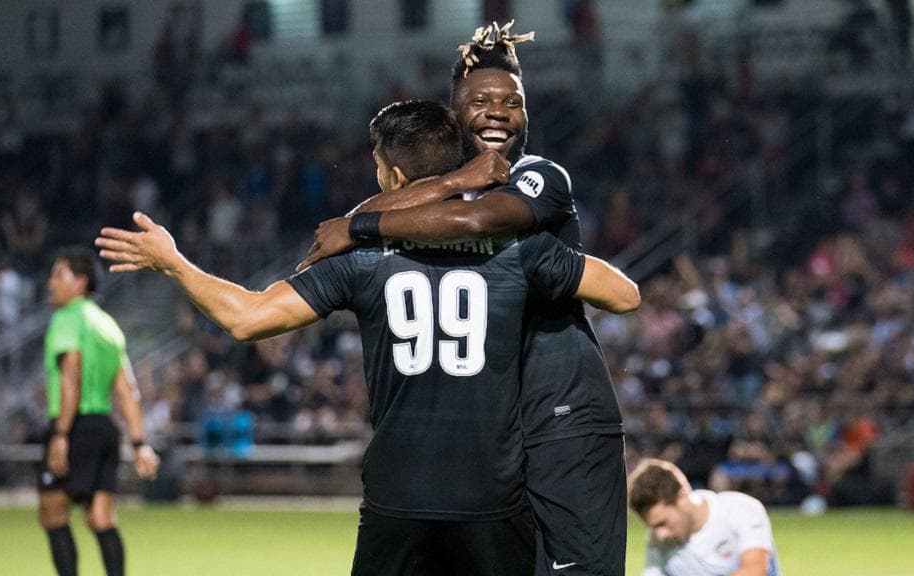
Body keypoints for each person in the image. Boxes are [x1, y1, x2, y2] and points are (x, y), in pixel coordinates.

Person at [95, 100, 641, 576]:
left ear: (396, 178)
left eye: (379, 168)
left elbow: (245, 317)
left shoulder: (359, 258)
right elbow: (623, 295)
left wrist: (173, 264)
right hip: (493, 498)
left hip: (397, 498)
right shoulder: (516, 249)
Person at [299, 21, 629, 576]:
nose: (498, 111)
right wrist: (399, 205)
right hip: (499, 432)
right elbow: (398, 199)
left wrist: (359, 229)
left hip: (563, 413)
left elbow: (479, 218)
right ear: (453, 117)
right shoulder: (444, 195)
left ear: (527, 116)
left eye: (513, 102)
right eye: (480, 101)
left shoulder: (538, 176)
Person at [39, 247, 160, 576]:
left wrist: (61, 434)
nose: (51, 283)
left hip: (74, 426)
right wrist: (139, 444)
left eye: (57, 274)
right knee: (101, 518)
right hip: (105, 428)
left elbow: (71, 377)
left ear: (79, 283)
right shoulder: (108, 325)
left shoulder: (67, 319)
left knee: (52, 513)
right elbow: (128, 390)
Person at [626, 459, 782, 576]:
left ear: (682, 496)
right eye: (653, 527)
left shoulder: (740, 509)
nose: (661, 534)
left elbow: (755, 570)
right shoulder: (658, 539)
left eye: (663, 523)